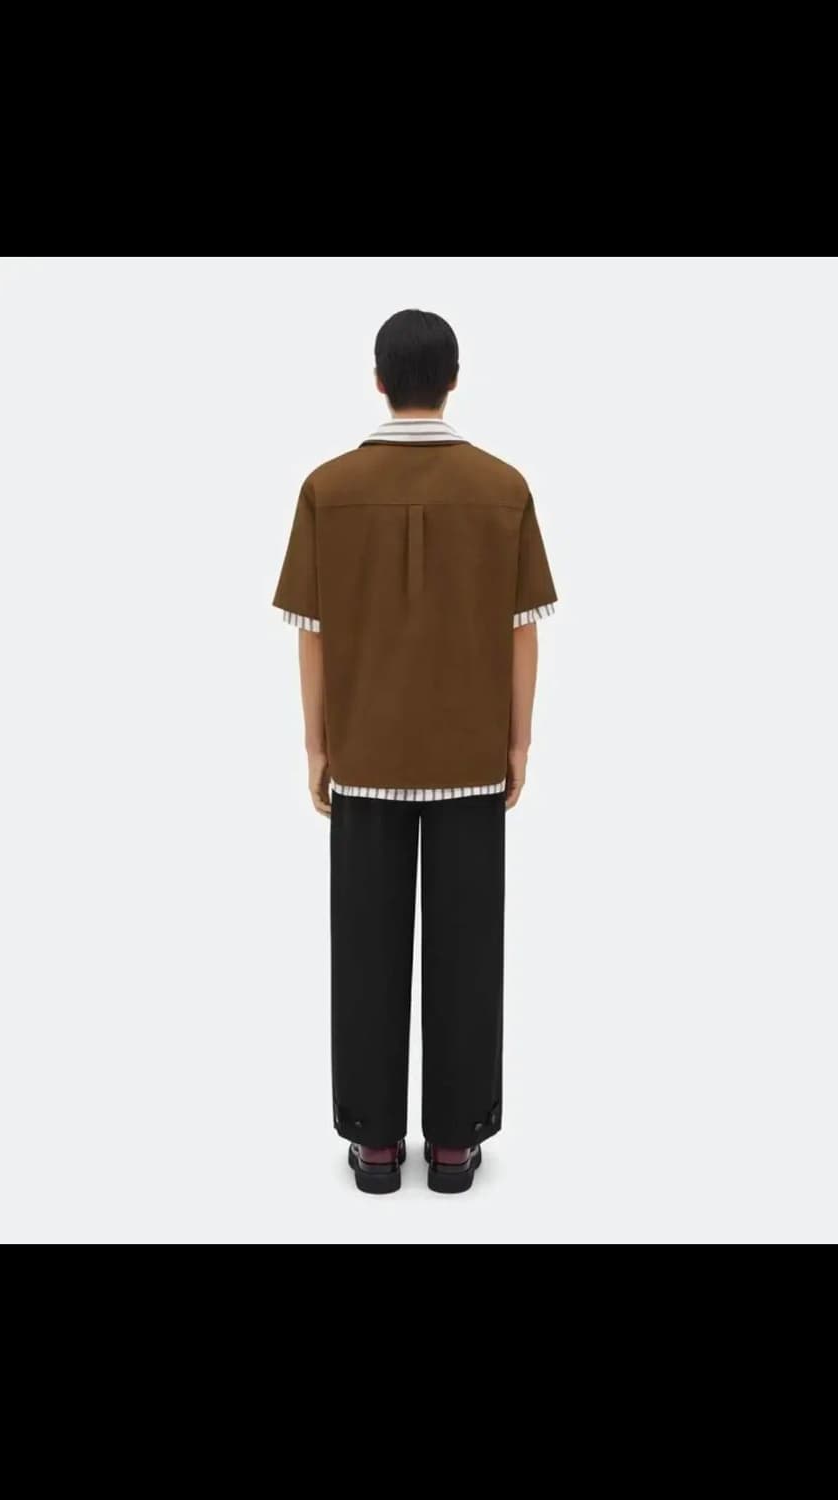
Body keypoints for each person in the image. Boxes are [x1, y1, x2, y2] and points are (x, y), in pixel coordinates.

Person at [273, 309, 556, 1194]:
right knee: (468, 948)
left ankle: (374, 1144)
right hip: (470, 756)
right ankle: (455, 1145)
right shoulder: (503, 486)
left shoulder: (326, 488)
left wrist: (317, 745)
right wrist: (518, 740)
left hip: (365, 756)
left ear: (377, 379)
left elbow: (312, 632)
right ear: (454, 379)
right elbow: (521, 630)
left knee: (364, 946)